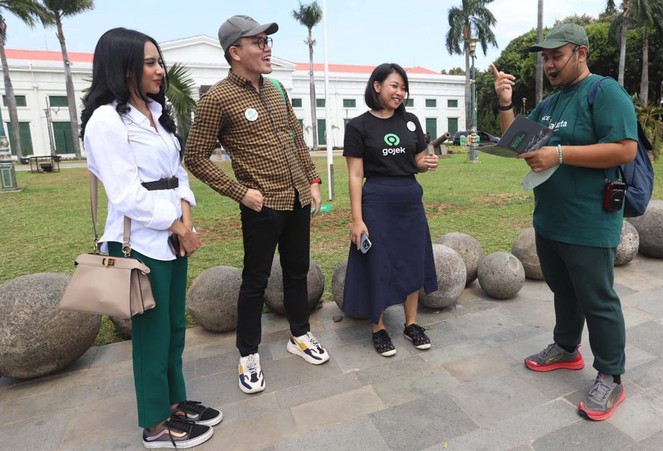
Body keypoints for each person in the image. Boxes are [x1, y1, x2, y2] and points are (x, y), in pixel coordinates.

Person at [81, 28, 221, 448]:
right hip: (137, 241)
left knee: (175, 326)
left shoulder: (157, 114)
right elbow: (125, 194)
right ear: (122, 66)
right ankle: (155, 423)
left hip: (172, 236)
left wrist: (187, 223)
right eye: (150, 62)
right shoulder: (105, 120)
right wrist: (177, 227)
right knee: (151, 334)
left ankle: (175, 402)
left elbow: (179, 175)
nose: (160, 70)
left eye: (159, 61)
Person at [491, 23, 637, 421]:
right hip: (550, 218)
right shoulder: (551, 104)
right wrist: (506, 102)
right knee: (563, 290)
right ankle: (567, 348)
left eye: (557, 56)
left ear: (581, 53)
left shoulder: (604, 92)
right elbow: (518, 143)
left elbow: (625, 149)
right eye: (547, 58)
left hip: (589, 220)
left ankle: (611, 375)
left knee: (597, 299)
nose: (550, 65)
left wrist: (558, 154)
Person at [184, 15, 329, 395]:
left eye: (267, 41)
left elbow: (296, 138)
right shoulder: (217, 98)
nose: (267, 48)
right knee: (255, 281)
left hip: (297, 197)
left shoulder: (277, 89)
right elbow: (195, 156)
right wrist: (240, 192)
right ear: (235, 52)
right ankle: (248, 353)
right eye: (258, 42)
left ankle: (299, 335)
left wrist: (312, 180)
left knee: (297, 272)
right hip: (262, 205)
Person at [341, 63, 439, 357]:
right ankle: (379, 327)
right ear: (377, 86)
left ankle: (411, 324)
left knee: (412, 259)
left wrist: (426, 163)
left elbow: (418, 160)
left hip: (409, 200)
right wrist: (357, 219)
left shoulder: (410, 121)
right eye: (394, 85)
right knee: (379, 263)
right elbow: (356, 175)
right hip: (377, 202)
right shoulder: (358, 126)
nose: (400, 92)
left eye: (403, 87)